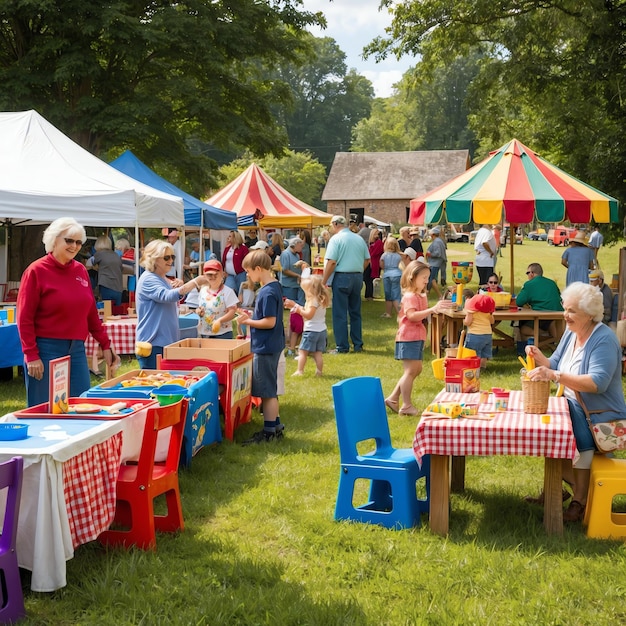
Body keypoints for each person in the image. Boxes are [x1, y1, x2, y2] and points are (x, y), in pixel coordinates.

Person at [525, 282, 626, 522]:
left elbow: (596, 383)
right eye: (565, 308)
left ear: (590, 315)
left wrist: (555, 376)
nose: (565, 315)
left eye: (571, 311)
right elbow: (555, 363)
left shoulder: (604, 340)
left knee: (571, 421)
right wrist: (540, 357)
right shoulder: (572, 333)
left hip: (603, 417)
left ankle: (580, 500)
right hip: (574, 406)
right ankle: (556, 490)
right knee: (548, 429)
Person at [17, 217, 116, 406]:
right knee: (43, 410)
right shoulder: (36, 271)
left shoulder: (81, 271)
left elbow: (91, 314)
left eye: (79, 242)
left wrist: (105, 344)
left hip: (77, 350)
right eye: (69, 240)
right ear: (54, 240)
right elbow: (24, 318)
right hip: (45, 350)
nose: (74, 246)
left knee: (81, 406)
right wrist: (31, 355)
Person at [384, 260, 452, 416]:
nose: (427, 281)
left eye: (428, 278)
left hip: (416, 336)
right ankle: (406, 405)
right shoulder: (409, 296)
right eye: (424, 278)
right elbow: (412, 316)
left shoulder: (419, 295)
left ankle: (393, 398)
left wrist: (435, 308)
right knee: (410, 371)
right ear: (412, 277)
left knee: (416, 369)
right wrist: (432, 309)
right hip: (408, 337)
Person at [135, 239, 208, 369]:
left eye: (172, 256)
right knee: (155, 385)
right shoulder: (148, 278)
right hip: (153, 344)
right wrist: (194, 282)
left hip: (165, 342)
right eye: (166, 257)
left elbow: (174, 296)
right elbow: (167, 296)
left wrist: (179, 286)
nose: (171, 260)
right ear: (154, 259)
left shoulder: (161, 277)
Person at [237, 250, 285, 444]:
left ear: (258, 269)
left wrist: (249, 321)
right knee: (270, 389)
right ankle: (276, 426)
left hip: (266, 346)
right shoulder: (275, 286)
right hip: (273, 344)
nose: (248, 275)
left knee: (267, 392)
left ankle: (268, 432)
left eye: (248, 271)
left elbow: (269, 322)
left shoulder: (266, 291)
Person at [321, 215, 370, 354]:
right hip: (357, 276)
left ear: (336, 224)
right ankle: (358, 344)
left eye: (331, 225)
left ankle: (342, 347)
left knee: (340, 313)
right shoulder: (358, 238)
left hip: (342, 276)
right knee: (355, 312)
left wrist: (323, 281)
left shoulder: (335, 239)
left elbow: (331, 262)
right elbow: (367, 260)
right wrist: (358, 270)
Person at [284, 274, 329, 377]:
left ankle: (300, 371)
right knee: (318, 353)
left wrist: (297, 308)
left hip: (311, 331)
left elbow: (309, 315)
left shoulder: (313, 301)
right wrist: (297, 307)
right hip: (321, 330)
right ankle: (319, 372)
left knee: (302, 351)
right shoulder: (320, 299)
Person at [515, 263, 563, 343]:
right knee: (550, 324)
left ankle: (543, 336)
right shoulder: (552, 283)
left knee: (524, 329)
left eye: (527, 273)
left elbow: (519, 302)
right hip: (558, 314)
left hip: (541, 314)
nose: (527, 275)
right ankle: (549, 341)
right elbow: (559, 297)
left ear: (532, 273)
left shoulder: (529, 285)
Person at [197, 260, 238, 339]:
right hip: (205, 333)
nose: (213, 277)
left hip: (223, 334)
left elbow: (232, 312)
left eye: (216, 274)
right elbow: (200, 307)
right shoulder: (203, 291)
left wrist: (220, 321)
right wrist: (199, 311)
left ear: (222, 274)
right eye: (209, 275)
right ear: (204, 275)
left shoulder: (228, 292)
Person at [88, 235, 124, 305]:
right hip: (118, 287)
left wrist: (94, 268)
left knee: (107, 310)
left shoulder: (98, 254)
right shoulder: (116, 255)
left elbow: (88, 264)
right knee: (117, 311)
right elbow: (121, 268)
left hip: (106, 285)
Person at [463, 293, 496, 370]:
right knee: (484, 353)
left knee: (473, 353)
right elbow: (492, 321)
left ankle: (474, 368)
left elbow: (468, 322)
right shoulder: (488, 312)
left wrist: (464, 321)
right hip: (487, 335)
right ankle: (483, 367)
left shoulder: (471, 311)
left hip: (475, 335)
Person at [379, 235, 403, 318]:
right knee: (396, 295)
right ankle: (400, 313)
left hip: (387, 275)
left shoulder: (384, 255)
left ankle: (388, 313)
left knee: (388, 295)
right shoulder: (399, 256)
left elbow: (381, 265)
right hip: (397, 274)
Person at [425, 226, 446, 298]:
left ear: (433, 234)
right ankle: (429, 293)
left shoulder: (437, 242)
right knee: (432, 279)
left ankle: (429, 293)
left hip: (435, 263)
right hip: (436, 263)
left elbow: (438, 253)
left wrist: (430, 254)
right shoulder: (439, 241)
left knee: (431, 279)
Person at [363, 228, 383, 301]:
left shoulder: (379, 242)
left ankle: (369, 295)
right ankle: (368, 295)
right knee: (367, 279)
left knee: (368, 279)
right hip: (371, 261)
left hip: (373, 262)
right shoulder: (373, 243)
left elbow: (374, 253)